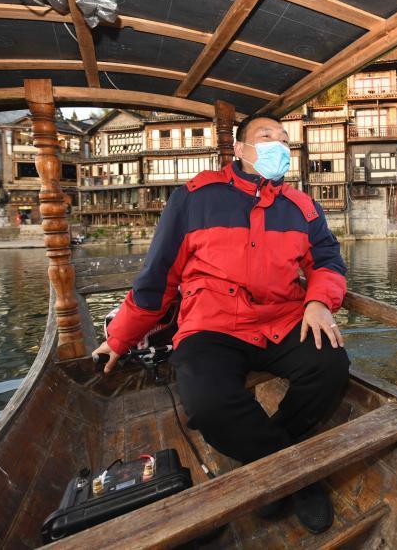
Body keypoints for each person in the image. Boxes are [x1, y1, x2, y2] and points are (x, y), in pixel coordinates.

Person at [93, 113, 349, 534]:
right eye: (267, 137)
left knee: (331, 366)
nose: (279, 145)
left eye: (285, 139)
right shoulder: (195, 197)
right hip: (213, 323)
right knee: (208, 402)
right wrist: (120, 337)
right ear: (242, 150)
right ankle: (298, 477)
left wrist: (319, 302)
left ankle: (267, 463)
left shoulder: (302, 206)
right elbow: (158, 278)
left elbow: (327, 262)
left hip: (280, 318)